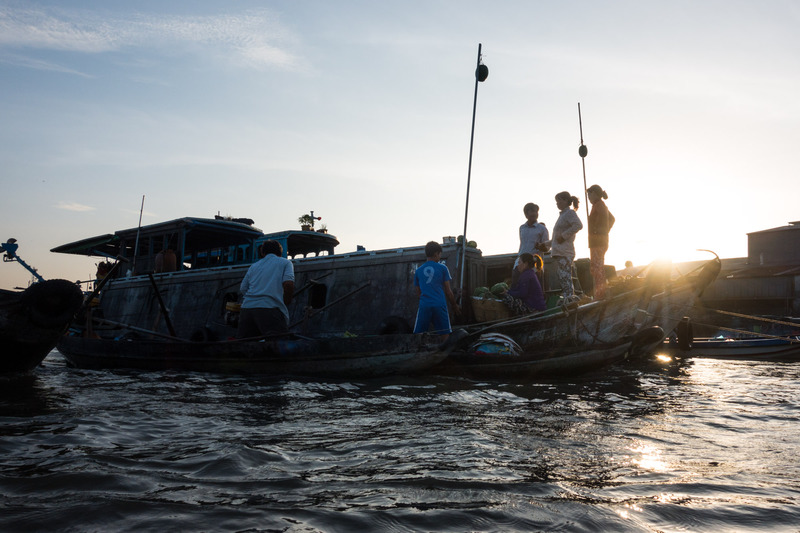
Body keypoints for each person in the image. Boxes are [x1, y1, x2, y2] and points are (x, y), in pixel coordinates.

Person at [237, 240, 295, 338]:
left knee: (245, 345)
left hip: (247, 309)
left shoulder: (253, 266)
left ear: (263, 253)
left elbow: (243, 288)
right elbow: (288, 284)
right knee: (279, 343)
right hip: (270, 309)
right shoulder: (285, 263)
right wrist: (286, 301)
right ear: (280, 252)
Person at [413, 241, 461, 341]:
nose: (440, 257)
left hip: (424, 305)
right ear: (436, 254)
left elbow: (418, 293)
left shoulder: (418, 271)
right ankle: (445, 354)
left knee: (419, 335)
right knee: (445, 334)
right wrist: (454, 305)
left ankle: (418, 354)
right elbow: (448, 291)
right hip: (439, 305)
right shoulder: (443, 268)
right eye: (440, 254)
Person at [542, 191, 583, 304]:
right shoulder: (563, 215)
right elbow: (556, 239)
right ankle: (568, 298)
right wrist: (545, 244)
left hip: (565, 252)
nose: (557, 203)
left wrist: (564, 236)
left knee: (565, 277)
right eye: (556, 201)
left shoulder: (569, 213)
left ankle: (569, 300)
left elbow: (578, 225)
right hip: (560, 253)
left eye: (559, 200)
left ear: (565, 201)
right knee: (563, 277)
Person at [586, 184, 615, 299]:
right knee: (595, 266)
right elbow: (612, 218)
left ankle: (601, 293)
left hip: (598, 241)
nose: (588, 196)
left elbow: (607, 218)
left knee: (597, 267)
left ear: (595, 194)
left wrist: (600, 231)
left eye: (590, 194)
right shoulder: (598, 205)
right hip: (598, 241)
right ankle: (600, 292)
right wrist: (605, 231)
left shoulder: (599, 205)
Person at [513, 203, 549, 286]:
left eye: (536, 212)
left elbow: (547, 248)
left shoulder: (542, 229)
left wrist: (540, 246)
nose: (535, 214)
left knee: (534, 289)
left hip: (534, 264)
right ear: (526, 214)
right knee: (516, 286)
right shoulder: (522, 228)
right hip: (520, 262)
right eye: (532, 211)